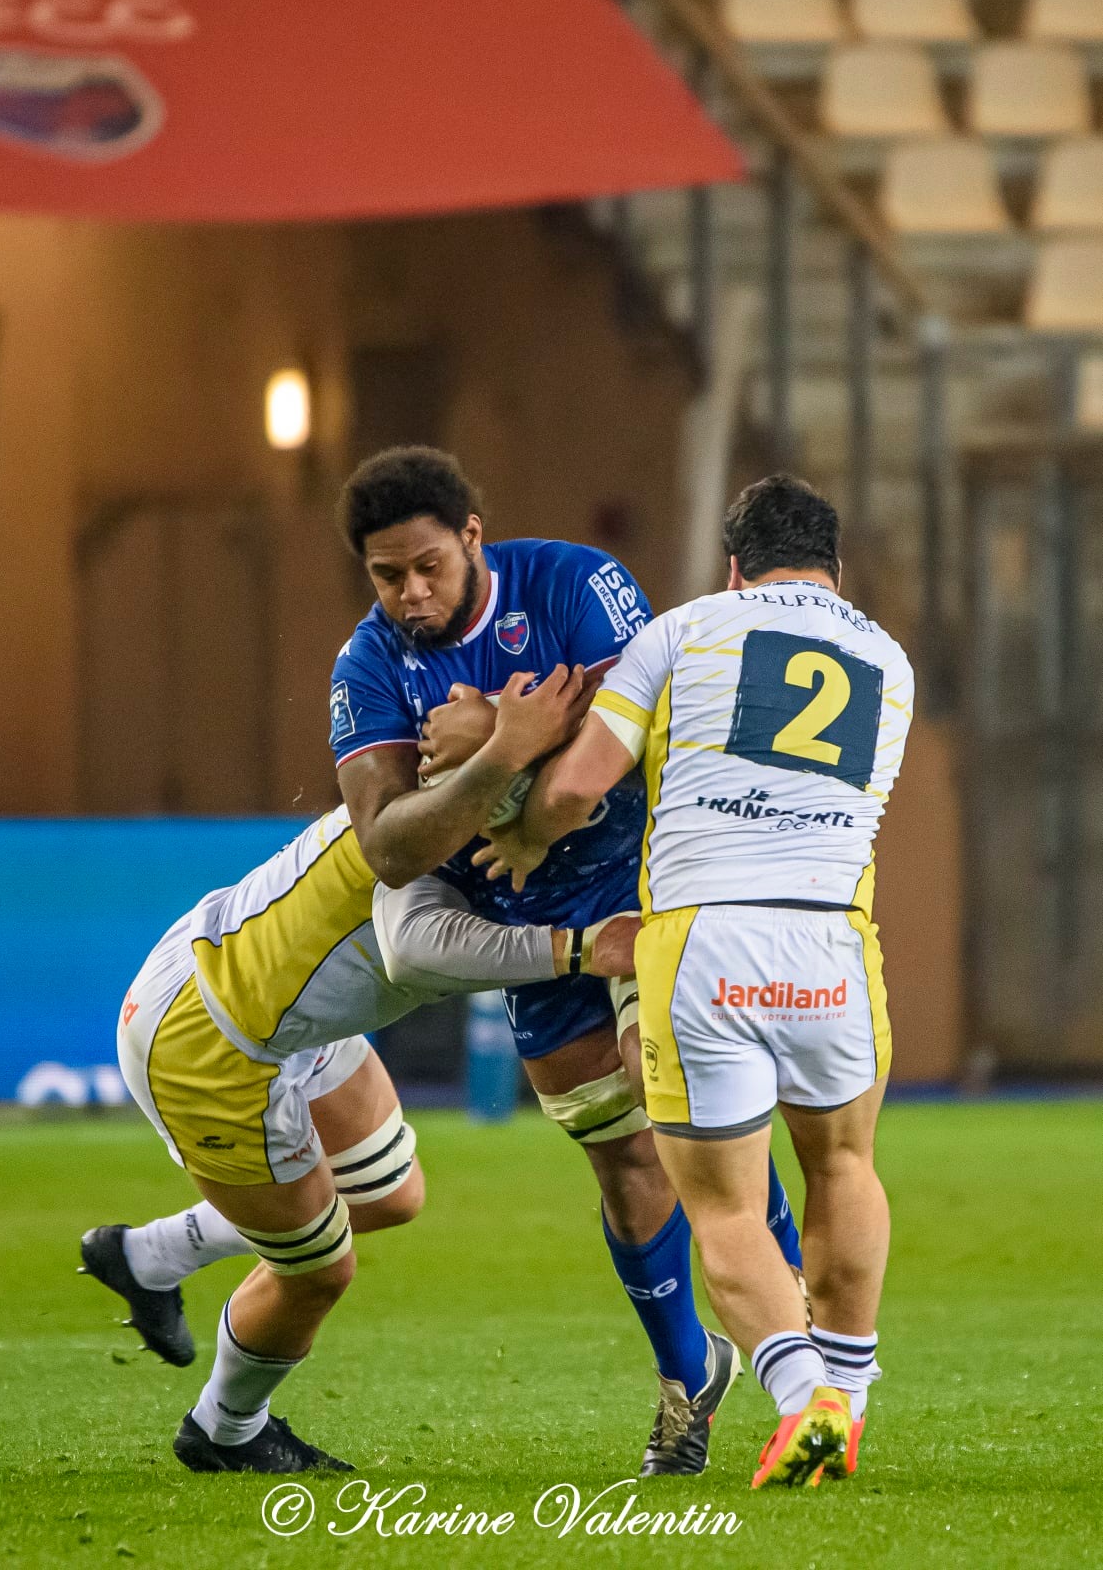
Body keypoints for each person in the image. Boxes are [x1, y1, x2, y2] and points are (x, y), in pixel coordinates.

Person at [327, 445, 805, 1476]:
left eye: (427, 566)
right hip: (530, 921)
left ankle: (794, 1338)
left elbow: (646, 721)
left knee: (675, 1092)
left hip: (647, 877)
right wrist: (506, 745)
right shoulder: (367, 666)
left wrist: (491, 738)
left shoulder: (571, 582)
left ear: (471, 536)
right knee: (622, 1158)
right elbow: (389, 845)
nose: (411, 594)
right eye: (386, 575)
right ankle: (688, 1376)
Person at [478, 473, 913, 1489]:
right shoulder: (887, 659)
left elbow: (578, 785)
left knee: (722, 1204)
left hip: (703, 942)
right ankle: (847, 1398)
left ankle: (802, 1397)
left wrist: (524, 837)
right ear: (834, 567)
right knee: (843, 1167)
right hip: (831, 939)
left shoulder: (681, 630)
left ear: (733, 567)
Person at [88, 668, 591, 1475]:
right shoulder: (457, 814)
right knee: (318, 1270)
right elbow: (417, 947)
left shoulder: (465, 784)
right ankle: (226, 1430)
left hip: (259, 988)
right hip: (215, 1039)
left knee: (389, 1194)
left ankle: (150, 1255)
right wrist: (577, 949)